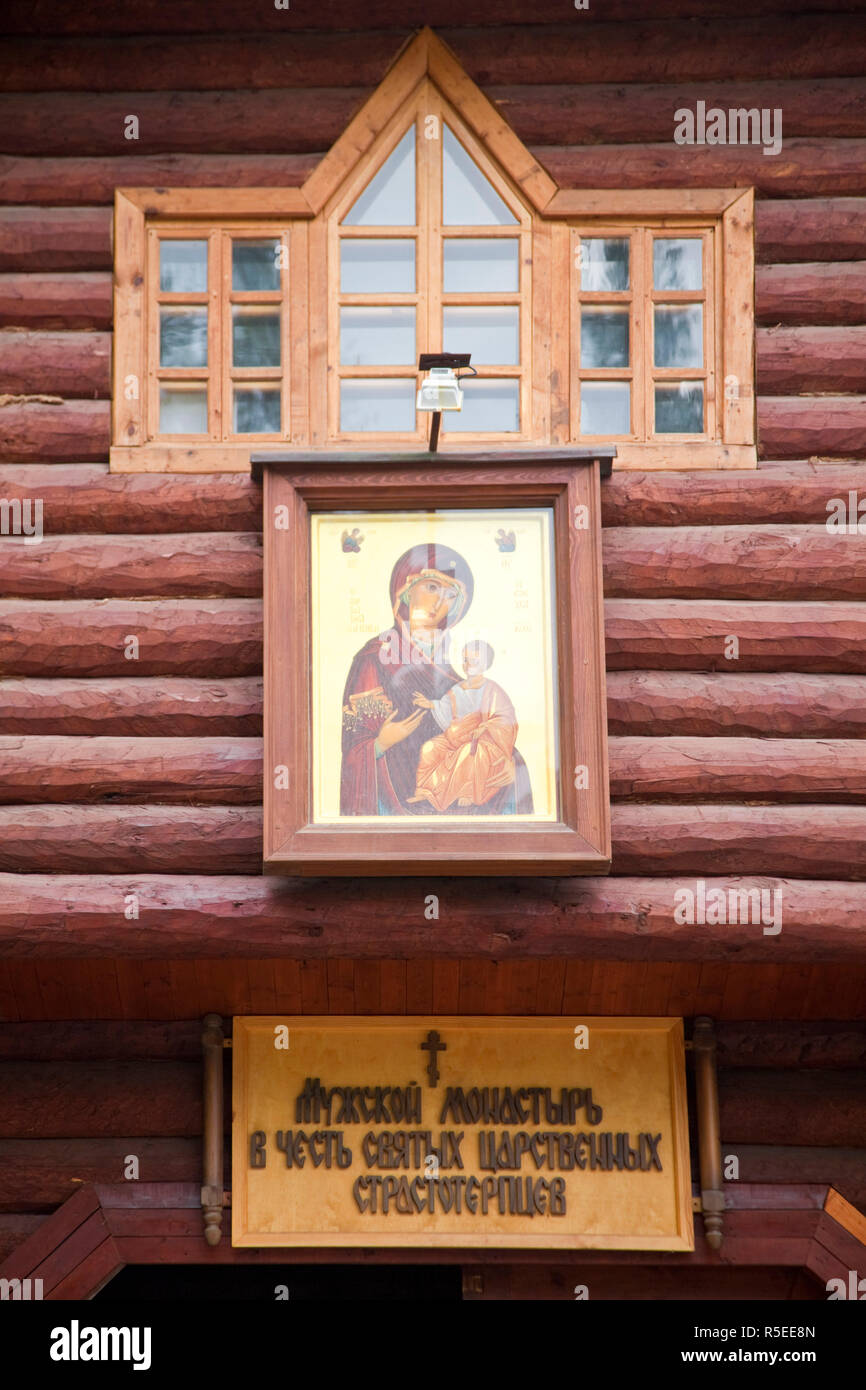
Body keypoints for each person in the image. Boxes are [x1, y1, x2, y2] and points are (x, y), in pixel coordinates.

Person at [339, 543, 532, 816]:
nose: (440, 603)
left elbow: (483, 722)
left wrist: (507, 760)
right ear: (405, 592)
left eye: (451, 594)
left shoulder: (453, 674)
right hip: (395, 799)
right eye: (431, 587)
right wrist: (382, 742)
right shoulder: (374, 658)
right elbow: (353, 748)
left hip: (458, 784)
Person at [408, 640, 520, 812]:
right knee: (429, 748)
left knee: (469, 752)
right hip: (456, 737)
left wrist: (486, 726)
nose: (467, 665)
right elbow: (445, 707)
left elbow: (506, 717)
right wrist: (429, 704)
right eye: (465, 660)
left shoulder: (493, 689)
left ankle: (467, 792)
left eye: (473, 661)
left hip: (485, 741)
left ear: (484, 664)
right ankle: (427, 791)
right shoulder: (457, 689)